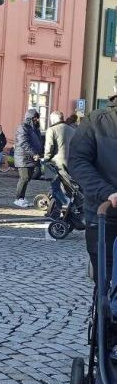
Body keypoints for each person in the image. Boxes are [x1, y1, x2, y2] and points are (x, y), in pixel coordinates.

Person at [68, 94, 117, 283]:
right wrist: (107, 192)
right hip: (104, 215)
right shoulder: (97, 120)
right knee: (107, 282)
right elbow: (78, 162)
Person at [44, 111, 75, 205]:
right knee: (68, 186)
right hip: (71, 161)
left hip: (55, 163)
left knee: (55, 187)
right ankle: (69, 207)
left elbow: (49, 147)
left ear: (53, 119)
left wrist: (45, 159)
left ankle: (59, 208)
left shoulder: (52, 130)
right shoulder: (72, 130)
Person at [13, 108, 43, 208]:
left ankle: (22, 197)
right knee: (24, 178)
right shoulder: (23, 127)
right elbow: (24, 142)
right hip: (23, 157)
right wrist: (34, 153)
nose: (37, 120)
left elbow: (38, 142)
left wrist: (39, 153)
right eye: (35, 118)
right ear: (30, 118)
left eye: (37, 118)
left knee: (28, 178)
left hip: (31, 157)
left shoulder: (35, 129)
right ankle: (18, 199)